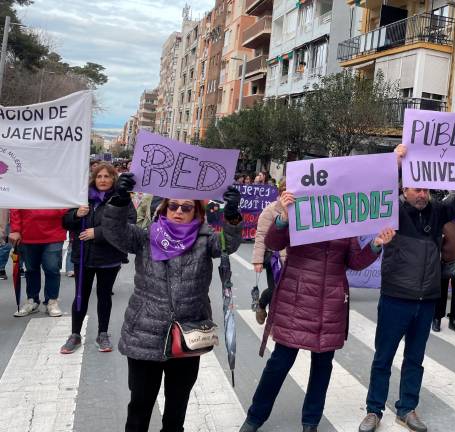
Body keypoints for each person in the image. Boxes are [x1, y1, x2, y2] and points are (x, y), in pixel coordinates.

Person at [358, 144, 455, 432]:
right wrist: (394, 163)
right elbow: (375, 188)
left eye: (426, 190)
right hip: (395, 297)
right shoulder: (392, 210)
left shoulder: (438, 211)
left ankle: (407, 409)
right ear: (404, 189)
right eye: (416, 189)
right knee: (383, 357)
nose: (422, 194)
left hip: (426, 300)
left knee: (415, 359)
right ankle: (374, 410)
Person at [240, 192, 394, 432]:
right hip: (296, 299)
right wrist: (283, 219)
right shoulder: (300, 209)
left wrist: (375, 245)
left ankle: (310, 422)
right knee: (279, 363)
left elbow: (354, 261)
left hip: (330, 303)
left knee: (322, 366)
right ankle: (255, 417)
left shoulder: (345, 219)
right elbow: (274, 242)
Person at [101, 173, 243, 432]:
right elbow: (115, 232)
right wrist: (119, 201)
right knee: (140, 407)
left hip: (188, 334)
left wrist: (232, 216)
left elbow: (229, 244)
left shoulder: (206, 241)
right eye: (173, 206)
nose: (179, 211)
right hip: (145, 333)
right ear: (164, 209)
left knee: (177, 409)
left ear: (196, 212)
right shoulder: (145, 237)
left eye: (186, 208)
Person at [60, 162, 137, 354]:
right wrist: (76, 214)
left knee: (104, 296)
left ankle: (103, 333)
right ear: (94, 179)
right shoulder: (82, 198)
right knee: (80, 295)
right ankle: (75, 334)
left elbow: (129, 223)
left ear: (113, 178)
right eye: (99, 176)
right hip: (83, 256)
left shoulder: (121, 198)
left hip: (109, 256)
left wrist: (99, 232)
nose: (103, 180)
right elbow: (65, 222)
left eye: (107, 176)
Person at [10, 207, 69, 317]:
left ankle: (52, 301)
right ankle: (32, 299)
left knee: (52, 268)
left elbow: (66, 205)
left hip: (54, 233)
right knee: (31, 269)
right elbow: (15, 207)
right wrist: (15, 229)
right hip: (28, 233)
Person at [251, 180, 286, 324]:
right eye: (285, 190)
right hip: (275, 260)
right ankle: (263, 306)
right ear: (280, 192)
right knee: (275, 291)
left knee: (287, 292)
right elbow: (261, 236)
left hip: (294, 259)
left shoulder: (302, 209)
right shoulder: (270, 210)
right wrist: (258, 260)